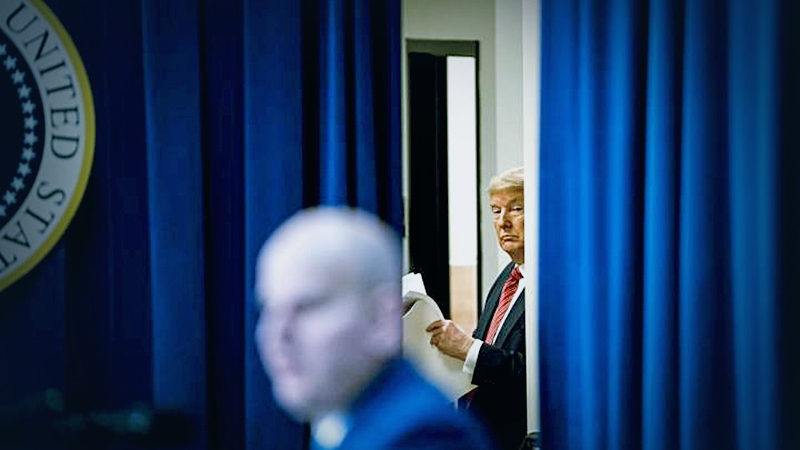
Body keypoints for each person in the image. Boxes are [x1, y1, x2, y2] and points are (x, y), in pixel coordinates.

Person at [254, 207, 496, 450]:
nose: (277, 335)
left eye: (307, 306)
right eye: (269, 310)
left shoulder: (423, 436)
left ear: (381, 320)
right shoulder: (341, 417)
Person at [426, 167, 527, 450]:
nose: (503, 222)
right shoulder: (508, 276)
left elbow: (534, 374)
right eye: (495, 211)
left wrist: (468, 348)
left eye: (516, 208)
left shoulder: (555, 287)